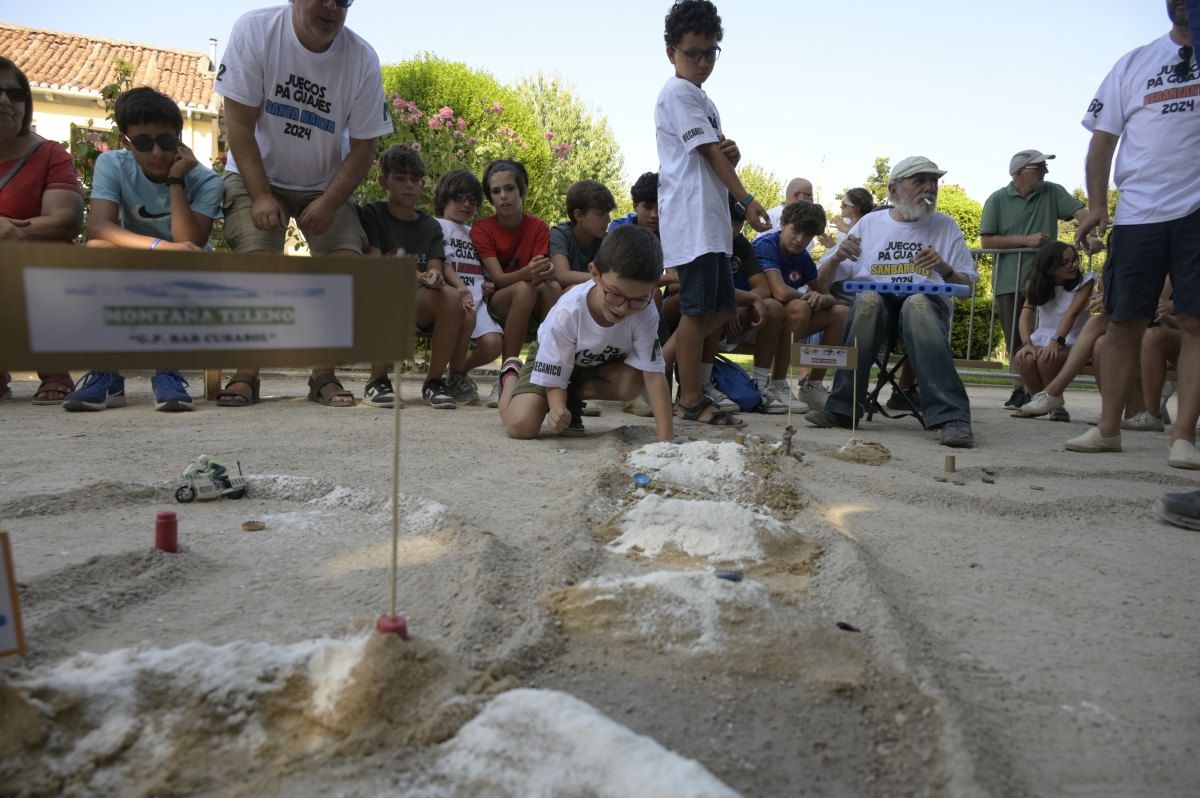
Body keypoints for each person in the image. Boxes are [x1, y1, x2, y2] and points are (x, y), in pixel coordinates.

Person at [213, 0, 393, 408]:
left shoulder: (362, 57)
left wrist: (330, 201)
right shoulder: (256, 29)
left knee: (344, 265)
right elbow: (237, 123)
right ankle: (245, 375)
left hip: (325, 183)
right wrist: (259, 195)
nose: (331, 7)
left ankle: (323, 376)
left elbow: (365, 147)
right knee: (258, 263)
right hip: (256, 172)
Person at [1068, 0, 1199, 470]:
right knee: (1122, 320)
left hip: (1197, 210)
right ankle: (1107, 429)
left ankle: (1183, 437)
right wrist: (1099, 204)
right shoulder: (1133, 62)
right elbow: (1103, 139)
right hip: (1139, 212)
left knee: (1193, 321)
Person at [61, 86, 223, 413]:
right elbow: (100, 227)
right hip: (139, 262)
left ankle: (168, 371)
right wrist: (159, 248)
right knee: (94, 249)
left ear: (179, 138)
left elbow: (189, 240)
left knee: (182, 265)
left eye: (166, 141)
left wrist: (176, 179)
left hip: (189, 271)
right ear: (125, 141)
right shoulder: (113, 163)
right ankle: (106, 374)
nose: (157, 153)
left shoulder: (206, 181)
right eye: (143, 143)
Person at [808, 156, 978, 448]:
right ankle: (841, 408)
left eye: (934, 181)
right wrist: (836, 256)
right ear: (894, 188)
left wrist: (946, 270)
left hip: (926, 308)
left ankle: (952, 416)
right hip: (875, 310)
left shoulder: (945, 226)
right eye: (920, 180)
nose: (930, 187)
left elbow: (968, 288)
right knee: (869, 301)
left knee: (918, 304)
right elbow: (820, 283)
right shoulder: (870, 223)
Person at [655, 0, 770, 426]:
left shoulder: (703, 98)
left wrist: (732, 158)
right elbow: (704, 150)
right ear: (672, 52)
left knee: (720, 310)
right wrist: (745, 198)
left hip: (711, 220)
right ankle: (687, 398)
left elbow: (713, 155)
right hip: (693, 219)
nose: (702, 62)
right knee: (699, 312)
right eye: (692, 53)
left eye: (710, 53)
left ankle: (646, 376)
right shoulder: (678, 92)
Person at [498, 225, 673, 441]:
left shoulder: (646, 310)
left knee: (631, 384)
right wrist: (556, 409)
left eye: (637, 299)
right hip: (552, 358)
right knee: (520, 426)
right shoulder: (568, 311)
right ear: (595, 274)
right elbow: (555, 369)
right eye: (615, 294)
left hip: (594, 365)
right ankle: (510, 377)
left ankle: (574, 396)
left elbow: (654, 375)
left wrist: (666, 442)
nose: (623, 308)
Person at [0, 56, 84, 405]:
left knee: (54, 256)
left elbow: (65, 219)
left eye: (15, 94)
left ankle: (54, 369)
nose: (5, 101)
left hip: (28, 255)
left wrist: (8, 231)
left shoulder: (49, 154)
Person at [980, 149, 1092, 410]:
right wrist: (1026, 241)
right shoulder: (996, 199)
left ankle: (1045, 396)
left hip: (1050, 280)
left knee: (1050, 336)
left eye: (1044, 166)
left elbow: (1080, 213)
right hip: (1010, 279)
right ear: (1019, 172)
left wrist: (1090, 230)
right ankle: (1022, 390)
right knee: (1016, 338)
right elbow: (986, 241)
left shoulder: (1052, 191)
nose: (1045, 171)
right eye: (1038, 167)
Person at [359, 144, 467, 409]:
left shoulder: (430, 225)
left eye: (415, 180)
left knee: (452, 297)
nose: (409, 185)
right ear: (384, 181)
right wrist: (414, 276)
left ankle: (434, 383)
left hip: (418, 301)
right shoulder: (372, 214)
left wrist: (433, 276)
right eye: (400, 178)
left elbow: (435, 267)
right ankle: (377, 381)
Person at [750, 201, 847, 412]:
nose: (800, 239)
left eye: (808, 236)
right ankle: (775, 383)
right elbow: (780, 292)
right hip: (753, 320)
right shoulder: (766, 245)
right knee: (798, 306)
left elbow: (826, 294)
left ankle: (812, 385)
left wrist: (823, 299)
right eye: (796, 231)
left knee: (841, 313)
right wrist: (809, 296)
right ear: (783, 224)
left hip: (781, 323)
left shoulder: (802, 256)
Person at [471, 159, 558, 381]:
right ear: (490, 197)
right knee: (524, 289)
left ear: (522, 192)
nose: (503, 196)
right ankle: (507, 374)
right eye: (496, 191)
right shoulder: (482, 228)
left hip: (532, 294)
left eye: (509, 188)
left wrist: (546, 271)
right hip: (499, 298)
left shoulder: (538, 226)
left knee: (553, 287)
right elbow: (498, 279)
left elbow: (540, 271)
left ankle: (544, 367)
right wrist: (530, 273)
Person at [434, 169, 503, 406]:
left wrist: (488, 284)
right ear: (444, 199)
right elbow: (440, 262)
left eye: (473, 200)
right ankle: (454, 378)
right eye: (460, 198)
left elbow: (483, 266)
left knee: (494, 344)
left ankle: (456, 373)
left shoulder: (477, 232)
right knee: (465, 316)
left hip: (478, 298)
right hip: (453, 295)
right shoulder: (436, 225)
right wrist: (460, 288)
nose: (466, 204)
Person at [1011, 242, 1096, 423]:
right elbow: (1025, 315)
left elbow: (1072, 314)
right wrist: (1027, 344)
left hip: (1073, 338)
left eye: (1074, 259)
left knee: (1046, 358)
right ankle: (1039, 402)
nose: (1072, 265)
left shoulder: (1085, 282)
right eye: (1065, 262)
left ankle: (1055, 405)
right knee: (1024, 358)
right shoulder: (1037, 284)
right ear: (1049, 267)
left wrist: (1056, 342)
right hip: (1043, 336)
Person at [550, 179, 616, 286]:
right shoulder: (560, 234)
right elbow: (561, 275)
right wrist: (604, 278)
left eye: (608, 213)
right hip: (559, 296)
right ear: (579, 215)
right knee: (553, 287)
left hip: (591, 294)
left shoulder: (607, 241)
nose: (608, 220)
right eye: (601, 213)